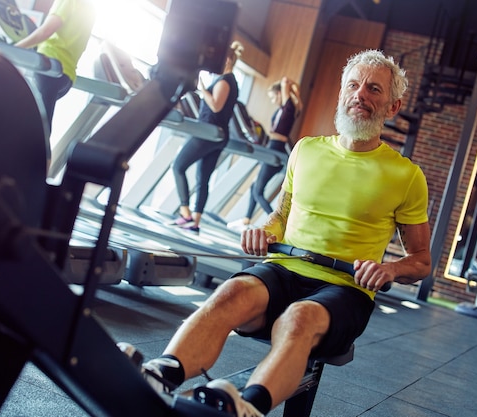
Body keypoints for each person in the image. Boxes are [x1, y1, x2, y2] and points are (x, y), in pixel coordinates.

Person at [135, 49, 432, 417]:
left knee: (299, 319)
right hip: (283, 268)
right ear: (342, 93)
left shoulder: (407, 176)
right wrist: (264, 229)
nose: (360, 95)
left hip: (345, 288)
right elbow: (280, 214)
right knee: (230, 292)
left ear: (392, 106)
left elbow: (421, 261)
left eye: (374, 89)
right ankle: (162, 373)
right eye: (353, 85)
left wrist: (390, 269)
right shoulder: (306, 150)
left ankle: (247, 408)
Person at [169, 41, 244, 233]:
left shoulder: (226, 81)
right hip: (215, 134)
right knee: (203, 178)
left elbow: (216, 106)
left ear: (227, 59)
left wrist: (202, 89)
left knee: (178, 166)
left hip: (209, 133)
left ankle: (185, 212)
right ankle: (194, 221)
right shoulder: (227, 79)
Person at [227, 76, 302, 232]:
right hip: (272, 146)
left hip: (276, 147)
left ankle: (278, 223)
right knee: (255, 187)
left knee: (257, 191)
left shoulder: (288, 108)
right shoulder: (285, 109)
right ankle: (247, 219)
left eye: (274, 96)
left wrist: (286, 85)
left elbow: (286, 82)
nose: (273, 100)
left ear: (281, 93)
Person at [14, 0, 95, 133]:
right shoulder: (90, 8)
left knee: (37, 127)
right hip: (66, 77)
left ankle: (35, 153)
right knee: (36, 122)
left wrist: (15, 49)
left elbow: (46, 31)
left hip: (49, 68)